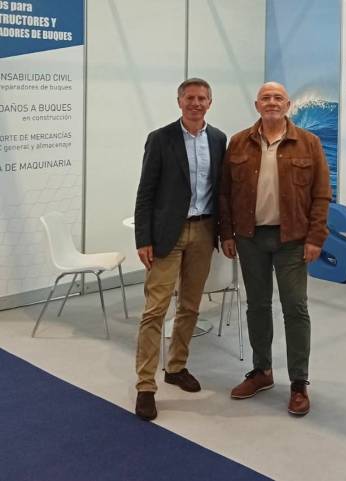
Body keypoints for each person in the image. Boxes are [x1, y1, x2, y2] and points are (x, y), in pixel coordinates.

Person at [219, 81, 331, 416]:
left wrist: (315, 238)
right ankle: (262, 371)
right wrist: (227, 234)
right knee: (257, 306)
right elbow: (224, 193)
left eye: (278, 98)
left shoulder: (309, 143)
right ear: (257, 105)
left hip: (292, 240)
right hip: (249, 238)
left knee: (295, 308)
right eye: (266, 98)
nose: (272, 102)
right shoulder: (238, 142)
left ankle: (298, 383)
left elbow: (321, 194)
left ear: (288, 105)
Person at [133, 78, 227, 421]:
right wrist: (143, 238)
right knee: (155, 309)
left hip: (204, 230)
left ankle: (176, 366)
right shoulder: (160, 139)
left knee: (190, 305)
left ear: (210, 103)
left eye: (202, 98)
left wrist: (225, 232)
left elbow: (221, 190)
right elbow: (145, 192)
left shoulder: (218, 139)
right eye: (190, 98)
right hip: (166, 235)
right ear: (179, 101)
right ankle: (146, 384)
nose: (196, 103)